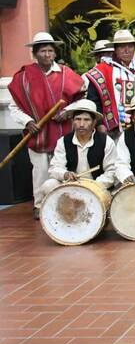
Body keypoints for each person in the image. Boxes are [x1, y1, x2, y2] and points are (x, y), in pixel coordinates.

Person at [8, 32, 86, 216]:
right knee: (41, 171)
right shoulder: (23, 78)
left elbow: (82, 99)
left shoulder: (66, 74)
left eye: (50, 50)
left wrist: (69, 111)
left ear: (55, 53)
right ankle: (40, 205)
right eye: (43, 51)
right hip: (38, 133)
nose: (47, 54)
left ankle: (66, 203)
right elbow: (14, 107)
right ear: (35, 53)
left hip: (63, 131)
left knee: (66, 168)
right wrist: (27, 122)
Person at [37, 100, 118, 209]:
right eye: (78, 119)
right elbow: (55, 168)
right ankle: (59, 216)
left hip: (97, 187)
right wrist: (65, 174)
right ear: (72, 122)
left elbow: (111, 171)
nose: (81, 124)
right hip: (72, 186)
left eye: (86, 120)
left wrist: (92, 186)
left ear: (94, 123)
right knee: (49, 185)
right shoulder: (64, 141)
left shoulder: (106, 141)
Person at [84, 29, 135, 137]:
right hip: (113, 130)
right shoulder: (102, 71)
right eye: (122, 47)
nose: (126, 50)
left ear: (134, 48)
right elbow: (93, 100)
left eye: (130, 46)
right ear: (115, 49)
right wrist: (99, 124)